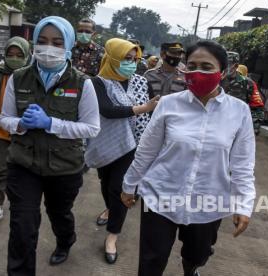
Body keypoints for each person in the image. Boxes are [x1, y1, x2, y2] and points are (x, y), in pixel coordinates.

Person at [121, 40, 256, 276]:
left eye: (206, 67)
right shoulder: (169, 104)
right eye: (192, 65)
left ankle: (191, 268)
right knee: (151, 260)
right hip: (160, 195)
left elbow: (243, 164)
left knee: (198, 254)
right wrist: (129, 184)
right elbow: (147, 149)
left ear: (222, 72)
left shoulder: (239, 111)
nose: (197, 72)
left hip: (209, 202)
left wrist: (244, 204)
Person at [0, 16, 100, 275]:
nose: (48, 48)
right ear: (34, 43)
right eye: (42, 41)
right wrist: (21, 124)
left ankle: (66, 241)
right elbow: (4, 118)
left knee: (59, 214)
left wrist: (50, 123)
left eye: (57, 42)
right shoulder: (18, 78)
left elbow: (91, 128)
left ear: (68, 45)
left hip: (64, 167)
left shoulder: (82, 83)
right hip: (24, 163)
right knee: (22, 226)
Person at [85, 38, 159, 264]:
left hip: (133, 144)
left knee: (119, 187)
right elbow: (108, 110)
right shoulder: (97, 83)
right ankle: (109, 209)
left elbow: (154, 109)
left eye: (134, 59)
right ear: (112, 58)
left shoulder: (141, 82)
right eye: (126, 59)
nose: (131, 64)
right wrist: (144, 108)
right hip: (105, 144)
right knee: (106, 184)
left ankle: (112, 237)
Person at [0, 36, 31, 224]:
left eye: (19, 55)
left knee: (21, 172)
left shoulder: (32, 76)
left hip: (24, 132)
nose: (15, 58)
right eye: (11, 54)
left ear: (27, 55)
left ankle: (21, 205)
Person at [221, 52, 264, 134]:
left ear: (236, 66)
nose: (224, 67)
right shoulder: (216, 80)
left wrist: (254, 130)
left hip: (236, 129)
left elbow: (257, 107)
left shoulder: (248, 83)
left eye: (228, 64)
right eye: (222, 64)